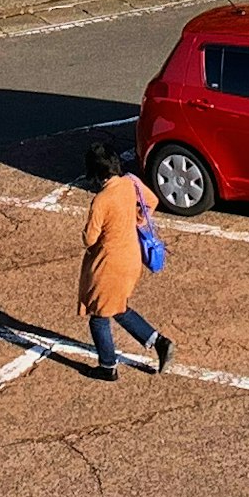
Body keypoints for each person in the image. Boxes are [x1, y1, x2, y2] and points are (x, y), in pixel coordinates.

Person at [79, 140, 174, 379]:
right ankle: (156, 340)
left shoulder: (101, 200)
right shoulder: (130, 183)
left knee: (99, 316)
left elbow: (90, 239)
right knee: (118, 307)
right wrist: (138, 220)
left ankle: (107, 366)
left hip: (109, 263)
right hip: (131, 257)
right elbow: (151, 201)